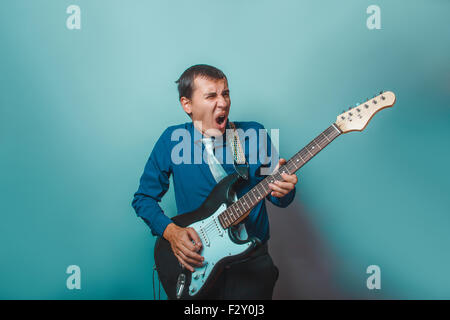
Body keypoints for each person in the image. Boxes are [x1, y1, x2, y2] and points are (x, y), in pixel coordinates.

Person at [132, 64, 298, 299]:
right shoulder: (171, 140)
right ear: (187, 104)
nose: (223, 102)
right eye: (211, 95)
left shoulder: (253, 134)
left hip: (251, 266)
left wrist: (284, 189)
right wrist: (171, 232)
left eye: (226, 93)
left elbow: (280, 198)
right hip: (198, 263)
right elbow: (143, 199)